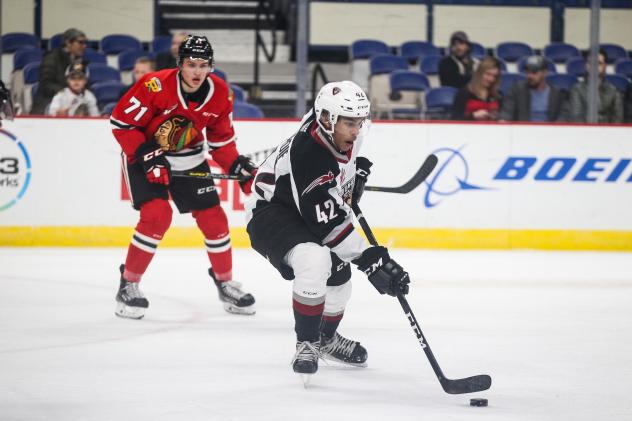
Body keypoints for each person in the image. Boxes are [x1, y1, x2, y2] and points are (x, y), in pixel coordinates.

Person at [245, 81, 410, 378]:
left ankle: (326, 339)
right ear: (325, 119)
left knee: (339, 278)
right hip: (272, 212)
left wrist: (352, 173)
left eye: (360, 122)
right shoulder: (309, 153)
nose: (356, 131)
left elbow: (338, 169)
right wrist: (371, 260)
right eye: (349, 123)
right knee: (315, 260)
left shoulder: (337, 125)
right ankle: (306, 343)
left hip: (304, 205)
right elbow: (329, 224)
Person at [110, 35, 257, 319]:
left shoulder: (221, 93)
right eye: (191, 64)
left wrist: (237, 166)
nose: (197, 72)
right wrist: (149, 155)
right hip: (144, 155)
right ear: (180, 64)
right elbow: (122, 124)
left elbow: (221, 142)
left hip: (189, 159)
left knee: (215, 220)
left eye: (203, 65)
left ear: (211, 66)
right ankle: (128, 284)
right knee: (157, 215)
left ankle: (225, 282)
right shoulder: (154, 85)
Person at [32, 28, 87, 115]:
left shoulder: (80, 61)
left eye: (85, 43)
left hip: (71, 102)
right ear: (68, 43)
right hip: (48, 103)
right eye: (80, 42)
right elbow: (46, 85)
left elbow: (85, 83)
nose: (84, 46)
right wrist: (67, 93)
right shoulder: (51, 58)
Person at [499, 55, 567, 122]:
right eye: (528, 72)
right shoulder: (516, 91)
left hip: (550, 131)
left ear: (545, 72)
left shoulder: (557, 93)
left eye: (534, 72)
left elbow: (563, 117)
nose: (530, 76)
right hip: (522, 131)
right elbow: (507, 112)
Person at [568, 49, 623, 123]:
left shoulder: (614, 91)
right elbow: (577, 118)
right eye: (591, 63)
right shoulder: (577, 89)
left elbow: (618, 119)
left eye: (599, 63)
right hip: (584, 133)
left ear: (605, 66)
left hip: (610, 133)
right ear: (587, 66)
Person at [451, 56, 501, 121]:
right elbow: (455, 119)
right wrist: (472, 116)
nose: (491, 79)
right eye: (488, 74)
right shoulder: (464, 93)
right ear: (480, 73)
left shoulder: (498, 95)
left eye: (494, 76)